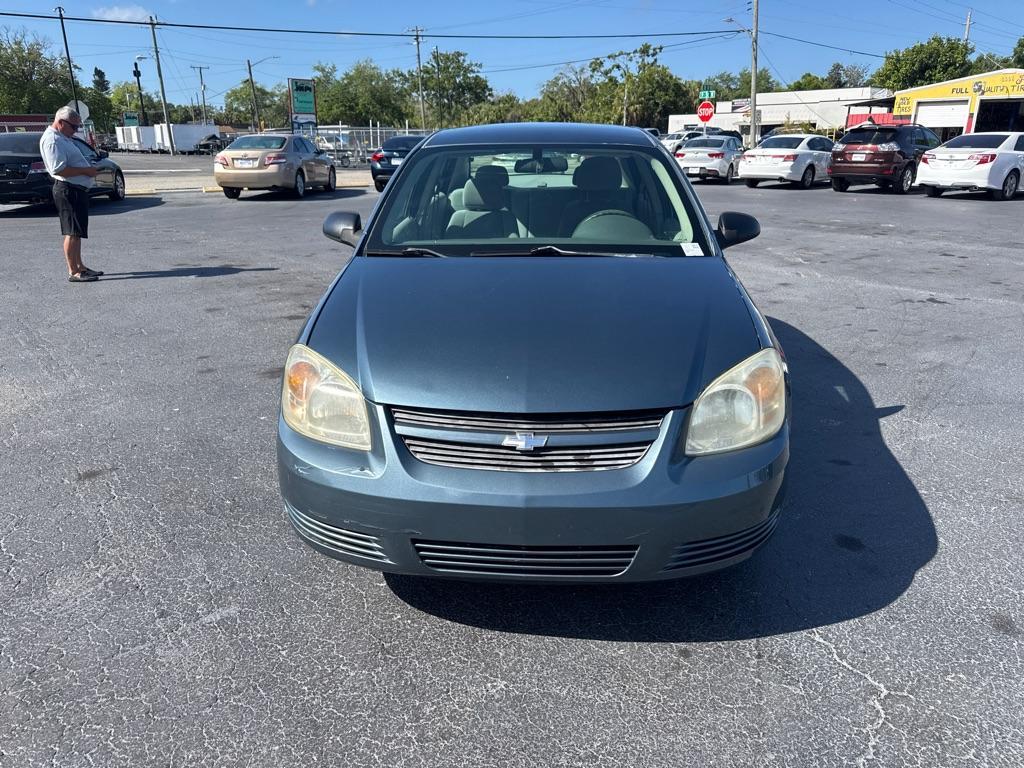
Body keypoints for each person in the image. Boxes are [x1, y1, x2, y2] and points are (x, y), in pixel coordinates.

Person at [39, 106, 103, 283]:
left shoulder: (63, 137)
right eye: (73, 127)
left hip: (76, 189)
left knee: (78, 231)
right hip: (67, 189)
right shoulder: (52, 140)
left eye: (77, 127)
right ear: (60, 122)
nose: (75, 131)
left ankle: (80, 266)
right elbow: (58, 169)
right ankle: (73, 271)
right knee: (72, 232)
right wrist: (87, 171)